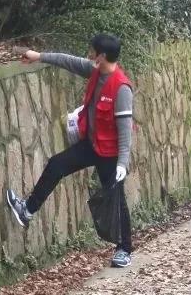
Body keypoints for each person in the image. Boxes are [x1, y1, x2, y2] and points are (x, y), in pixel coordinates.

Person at [7, 34, 135, 268]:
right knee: (57, 164)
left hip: (111, 155)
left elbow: (126, 131)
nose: (88, 54)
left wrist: (122, 164)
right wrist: (39, 56)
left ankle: (124, 249)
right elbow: (68, 61)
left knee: (117, 200)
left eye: (92, 50)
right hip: (91, 145)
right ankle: (27, 210)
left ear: (101, 56)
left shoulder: (121, 88)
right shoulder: (95, 70)